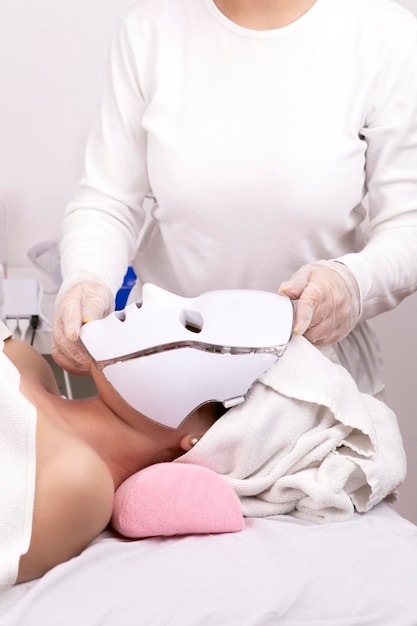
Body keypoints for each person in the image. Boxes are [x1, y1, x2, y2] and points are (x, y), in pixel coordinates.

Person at [52, 0, 417, 400]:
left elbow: (407, 226)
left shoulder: (387, 37)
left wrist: (350, 283)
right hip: (166, 375)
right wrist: (87, 279)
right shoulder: (147, 32)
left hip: (317, 380)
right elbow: (108, 200)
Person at [0, 323, 218, 586]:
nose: (150, 293)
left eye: (191, 341)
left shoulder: (78, 483)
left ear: (200, 439)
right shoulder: (26, 360)